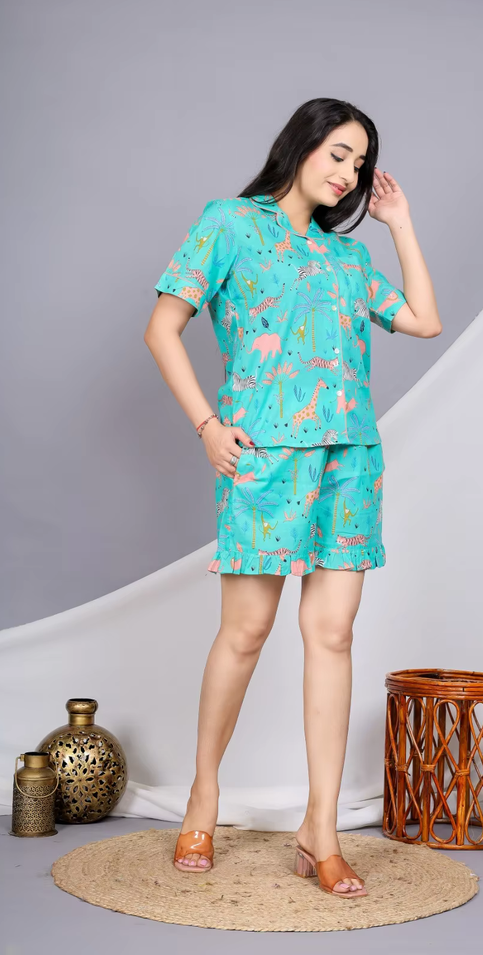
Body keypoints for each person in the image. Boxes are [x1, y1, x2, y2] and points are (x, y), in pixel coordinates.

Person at [144, 97, 441, 899]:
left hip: (349, 461)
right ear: (302, 144)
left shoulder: (347, 258)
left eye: (360, 164)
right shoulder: (231, 224)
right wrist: (207, 424)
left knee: (333, 636)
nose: (349, 174)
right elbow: (162, 328)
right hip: (265, 460)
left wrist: (398, 223)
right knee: (244, 633)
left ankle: (320, 829)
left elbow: (424, 320)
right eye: (339, 153)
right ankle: (203, 796)